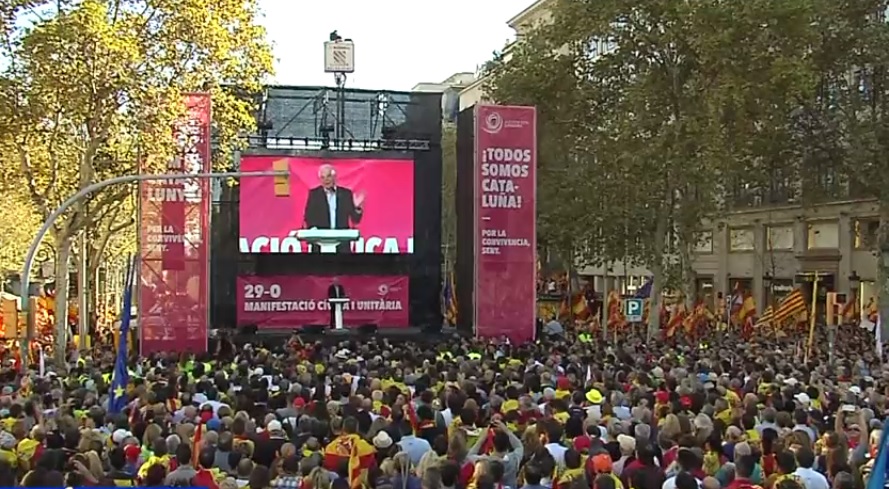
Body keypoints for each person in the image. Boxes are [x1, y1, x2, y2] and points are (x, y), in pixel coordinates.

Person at [303, 163, 364, 253]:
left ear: (334, 177)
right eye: (322, 178)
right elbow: (308, 216)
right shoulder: (314, 194)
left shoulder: (346, 194)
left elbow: (355, 219)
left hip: (342, 242)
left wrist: (357, 208)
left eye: (328, 176)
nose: (326, 180)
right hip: (320, 242)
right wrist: (313, 230)